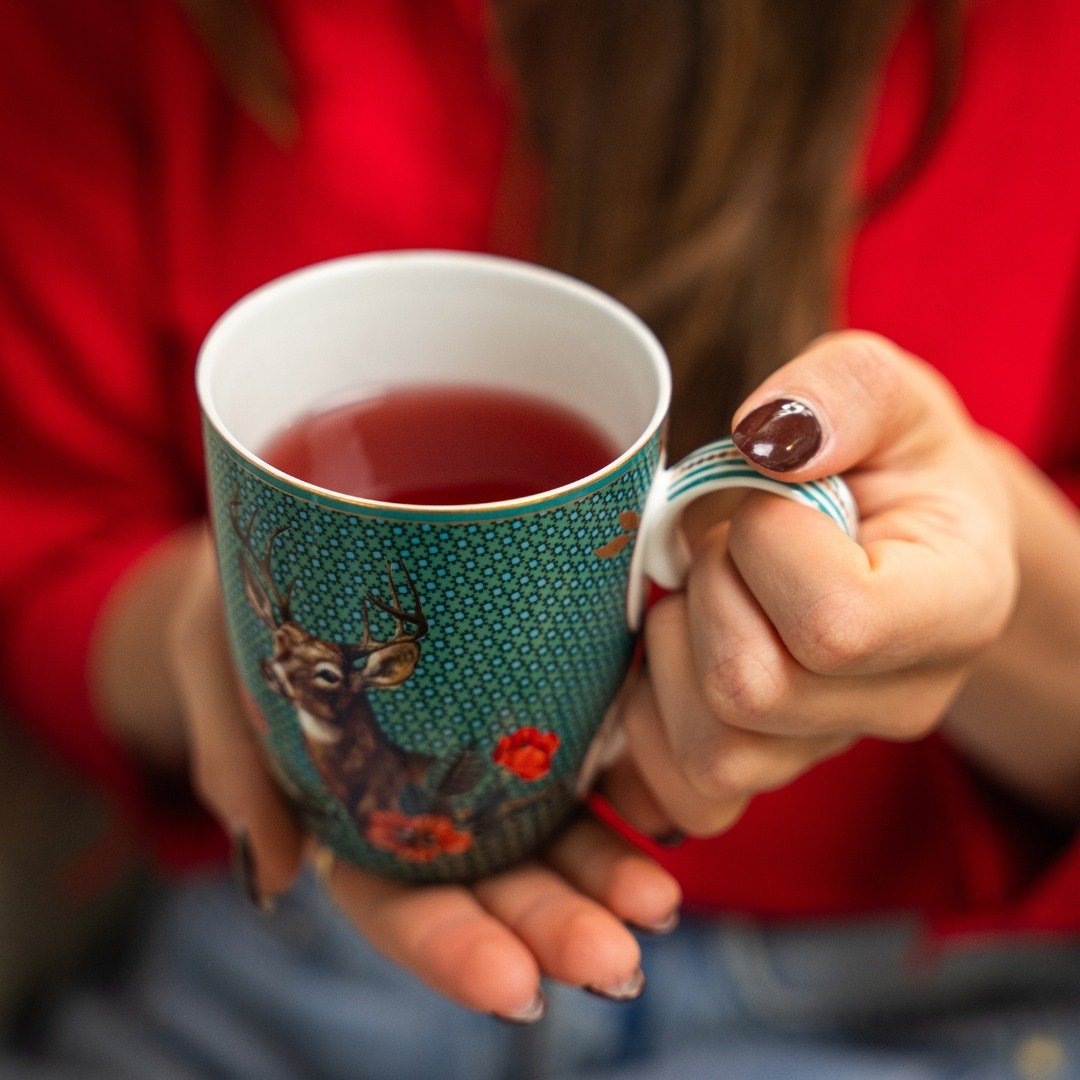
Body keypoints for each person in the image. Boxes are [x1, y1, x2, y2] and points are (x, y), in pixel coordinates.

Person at [2, 0, 1080, 1076]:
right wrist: (204, 626)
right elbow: (47, 542)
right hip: (296, 946)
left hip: (886, 999)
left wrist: (988, 580)